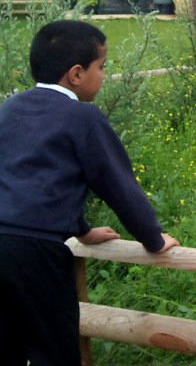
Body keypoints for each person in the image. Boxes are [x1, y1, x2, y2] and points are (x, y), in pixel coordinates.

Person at [0, 20, 179, 366]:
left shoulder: (9, 110)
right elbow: (119, 188)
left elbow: (31, 182)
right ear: (77, 74)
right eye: (102, 67)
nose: (104, 75)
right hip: (35, 256)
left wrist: (82, 231)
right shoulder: (82, 118)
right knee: (53, 350)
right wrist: (154, 239)